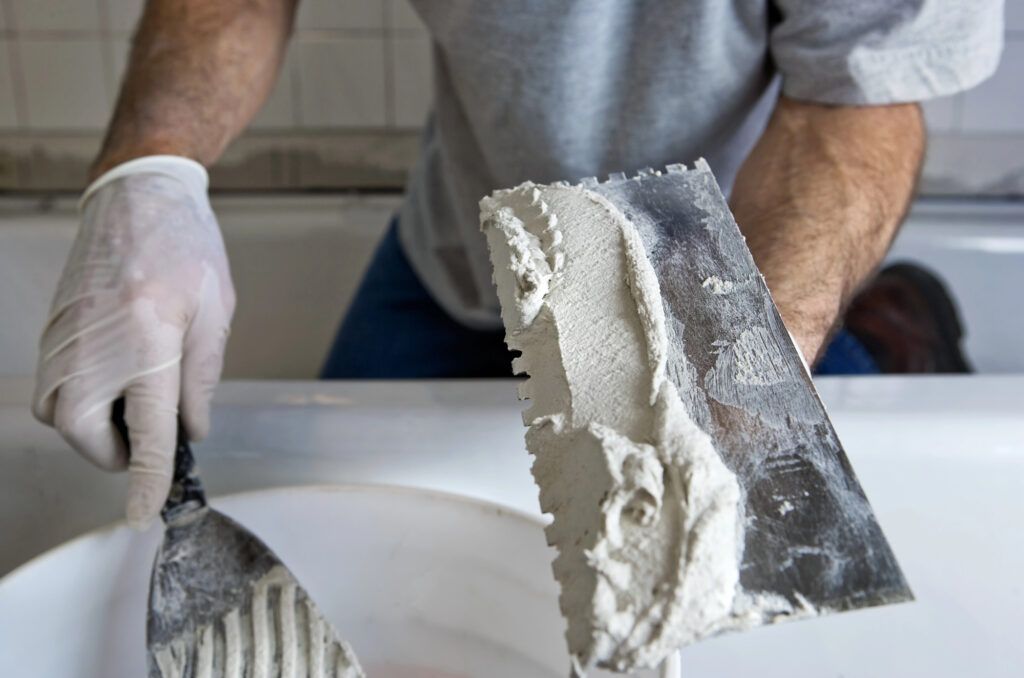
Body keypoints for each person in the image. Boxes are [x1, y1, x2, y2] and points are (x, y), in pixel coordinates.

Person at [31, 1, 1001, 527]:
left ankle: (878, 325)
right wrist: (149, 172)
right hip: (467, 246)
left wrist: (752, 335)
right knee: (340, 543)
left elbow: (856, 91)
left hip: (731, 258)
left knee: (782, 624)